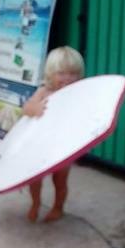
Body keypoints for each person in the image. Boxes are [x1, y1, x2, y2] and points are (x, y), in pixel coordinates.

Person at [22, 46, 85, 223]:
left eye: (73, 73)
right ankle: (35, 203)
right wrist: (36, 108)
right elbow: (26, 108)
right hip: (40, 144)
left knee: (60, 180)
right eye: (61, 73)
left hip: (62, 145)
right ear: (50, 73)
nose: (67, 78)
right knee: (34, 179)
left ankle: (58, 208)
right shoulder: (45, 91)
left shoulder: (79, 93)